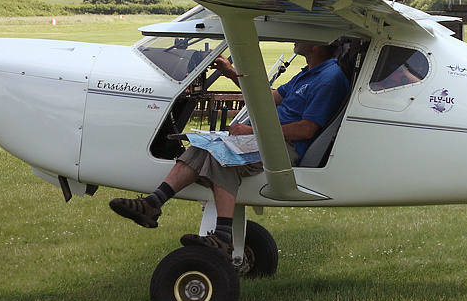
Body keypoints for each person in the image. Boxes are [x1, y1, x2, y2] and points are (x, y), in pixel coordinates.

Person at [109, 41, 350, 255]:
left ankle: (222, 238)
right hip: (271, 139)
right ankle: (153, 203)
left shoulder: (329, 78)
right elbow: (267, 98)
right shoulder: (309, 73)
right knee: (203, 145)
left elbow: (307, 130)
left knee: (223, 155)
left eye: (301, 37)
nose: (295, 41)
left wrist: (253, 132)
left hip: (285, 146)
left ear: (316, 46)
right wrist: (230, 73)